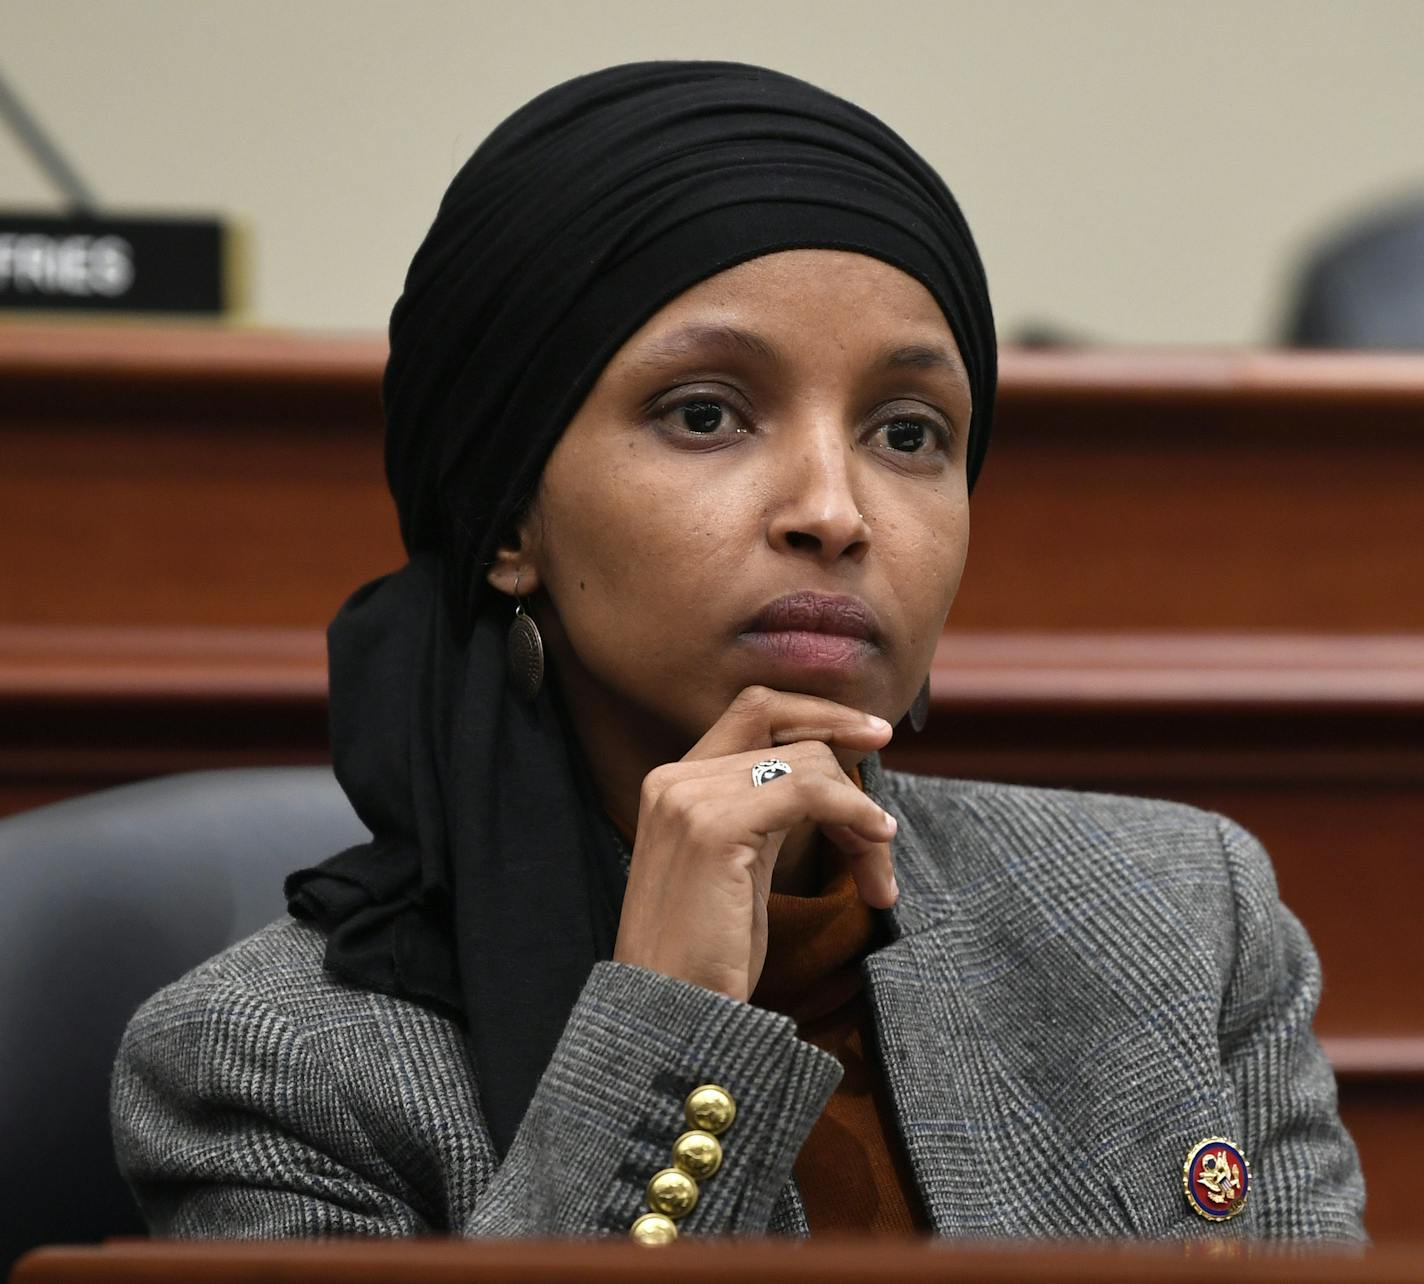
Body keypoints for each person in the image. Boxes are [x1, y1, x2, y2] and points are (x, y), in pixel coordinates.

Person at [110, 60, 1365, 1243]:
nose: (834, 507)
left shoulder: (1177, 916)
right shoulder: (269, 1065)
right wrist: (669, 1029)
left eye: (909, 433)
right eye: (704, 414)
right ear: (505, 521)